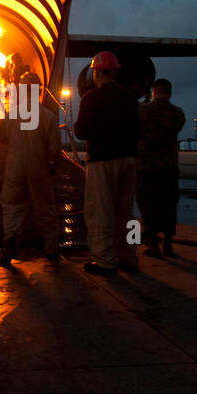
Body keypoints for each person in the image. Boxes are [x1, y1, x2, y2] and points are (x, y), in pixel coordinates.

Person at [72, 51, 140, 275]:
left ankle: (105, 261)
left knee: (100, 212)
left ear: (97, 73)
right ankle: (130, 257)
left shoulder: (90, 99)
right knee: (127, 212)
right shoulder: (130, 98)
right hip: (129, 161)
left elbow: (81, 133)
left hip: (102, 162)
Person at [0, 71, 62, 266]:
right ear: (39, 91)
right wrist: (52, 167)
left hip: (14, 166)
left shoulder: (13, 113)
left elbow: (2, 137)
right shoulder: (48, 116)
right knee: (45, 207)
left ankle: (10, 243)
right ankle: (51, 249)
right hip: (39, 168)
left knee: (12, 206)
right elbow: (54, 149)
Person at [137, 78, 187, 258]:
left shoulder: (143, 111)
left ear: (153, 92)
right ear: (170, 93)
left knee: (148, 206)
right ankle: (168, 244)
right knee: (169, 205)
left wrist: (145, 103)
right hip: (169, 168)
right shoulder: (177, 113)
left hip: (147, 168)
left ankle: (153, 245)